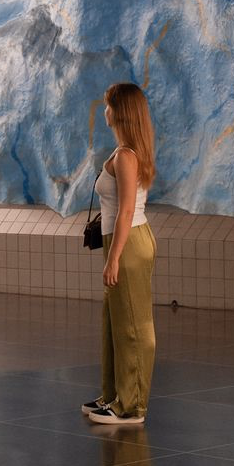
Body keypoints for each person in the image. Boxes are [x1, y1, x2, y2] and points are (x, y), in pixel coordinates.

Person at [82, 82, 158, 425]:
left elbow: (127, 210)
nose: (105, 110)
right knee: (114, 322)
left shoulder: (126, 157)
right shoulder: (123, 151)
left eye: (108, 104)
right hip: (122, 241)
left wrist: (114, 257)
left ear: (120, 112)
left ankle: (132, 405)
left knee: (133, 325)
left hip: (128, 244)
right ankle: (113, 396)